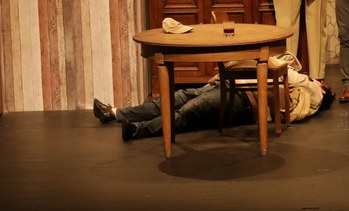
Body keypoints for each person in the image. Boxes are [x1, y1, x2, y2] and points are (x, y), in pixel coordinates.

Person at [92, 54, 335, 141]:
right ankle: (115, 113)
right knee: (178, 97)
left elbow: (285, 73)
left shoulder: (313, 91)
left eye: (325, 84)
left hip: (245, 100)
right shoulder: (303, 78)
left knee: (191, 110)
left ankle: (138, 130)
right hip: (228, 84)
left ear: (325, 90)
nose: (322, 81)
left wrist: (313, 82)